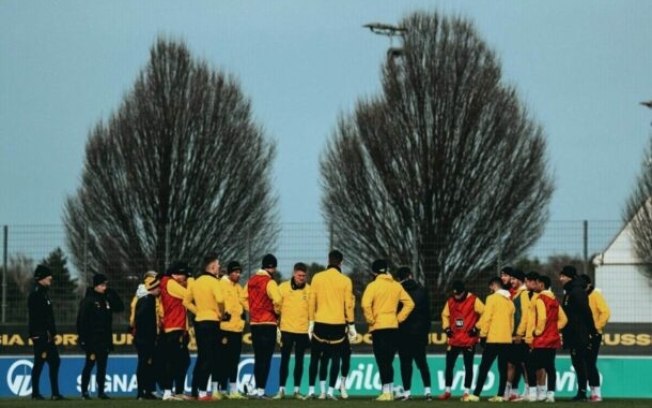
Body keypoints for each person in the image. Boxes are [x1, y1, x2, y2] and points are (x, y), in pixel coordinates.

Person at [361, 259, 415, 402]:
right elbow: (410, 303)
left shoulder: (372, 286)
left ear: (373, 272)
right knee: (388, 361)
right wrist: (399, 318)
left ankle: (386, 393)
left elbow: (365, 305)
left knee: (382, 361)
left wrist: (371, 320)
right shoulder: (396, 286)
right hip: (393, 327)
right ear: (387, 269)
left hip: (379, 328)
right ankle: (388, 392)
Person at [307, 250, 356, 400]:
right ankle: (330, 392)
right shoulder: (345, 280)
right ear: (341, 262)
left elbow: (311, 302)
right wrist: (352, 325)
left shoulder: (317, 277)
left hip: (320, 323)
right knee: (336, 358)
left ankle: (319, 391)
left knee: (318, 357)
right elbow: (348, 305)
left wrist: (311, 322)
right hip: (337, 323)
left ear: (328, 260)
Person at [462, 277, 514, 402]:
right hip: (506, 339)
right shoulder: (509, 301)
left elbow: (487, 318)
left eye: (490, 287)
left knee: (484, 367)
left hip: (493, 339)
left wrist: (483, 335)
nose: (490, 289)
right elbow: (512, 323)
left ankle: (476, 394)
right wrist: (508, 334)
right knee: (502, 368)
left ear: (493, 285)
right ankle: (500, 395)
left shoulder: (491, 299)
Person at [77, 273, 125, 400]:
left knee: (102, 366)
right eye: (103, 285)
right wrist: (83, 340)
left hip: (104, 339)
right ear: (96, 286)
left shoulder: (106, 299)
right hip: (92, 340)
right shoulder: (88, 301)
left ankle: (101, 392)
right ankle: (84, 392)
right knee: (89, 364)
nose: (105, 287)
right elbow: (81, 321)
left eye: (106, 285)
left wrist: (113, 293)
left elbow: (120, 307)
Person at [183, 254, 224, 401]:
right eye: (218, 264)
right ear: (212, 267)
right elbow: (220, 299)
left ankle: (195, 391)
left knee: (202, 357)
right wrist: (221, 313)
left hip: (199, 322)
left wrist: (198, 311)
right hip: (212, 322)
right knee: (210, 357)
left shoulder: (196, 282)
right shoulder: (214, 282)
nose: (219, 267)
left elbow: (186, 302)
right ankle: (202, 393)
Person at [524, 275, 567, 403]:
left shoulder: (540, 298)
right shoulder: (555, 300)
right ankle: (550, 395)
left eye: (536, 283)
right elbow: (564, 319)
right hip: (553, 339)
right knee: (549, 367)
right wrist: (553, 328)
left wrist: (537, 332)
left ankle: (533, 394)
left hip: (542, 339)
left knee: (530, 365)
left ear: (541, 285)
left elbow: (542, 318)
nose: (534, 286)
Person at [245, 253, 282, 398]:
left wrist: (253, 309)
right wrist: (277, 313)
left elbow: (243, 297)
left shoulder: (251, 281)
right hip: (268, 323)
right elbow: (278, 300)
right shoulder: (270, 282)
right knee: (266, 358)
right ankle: (260, 390)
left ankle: (255, 389)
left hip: (255, 324)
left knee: (258, 357)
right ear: (272, 267)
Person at [439, 280, 484, 400]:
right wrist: (446, 328)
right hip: (454, 339)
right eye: (455, 294)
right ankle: (447, 391)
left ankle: (466, 392)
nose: (456, 296)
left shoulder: (474, 300)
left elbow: (485, 313)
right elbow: (445, 315)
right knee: (449, 366)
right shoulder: (450, 301)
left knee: (468, 366)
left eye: (458, 294)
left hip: (468, 339)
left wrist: (476, 327)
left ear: (464, 292)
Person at [559, 265, 597, 401]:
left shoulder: (576, 292)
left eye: (563, 276)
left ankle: (582, 392)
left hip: (579, 333)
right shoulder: (571, 291)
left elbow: (586, 312)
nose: (560, 279)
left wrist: (592, 331)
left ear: (569, 277)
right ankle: (582, 391)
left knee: (580, 363)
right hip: (573, 332)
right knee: (577, 363)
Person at [394, 266, 432, 401]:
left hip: (403, 333)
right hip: (419, 333)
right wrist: (426, 333)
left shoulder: (397, 291)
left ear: (399, 278)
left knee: (405, 364)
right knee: (422, 363)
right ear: (410, 275)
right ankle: (427, 392)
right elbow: (428, 315)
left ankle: (407, 393)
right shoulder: (422, 290)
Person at [27, 264, 64, 400]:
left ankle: (55, 393)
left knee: (54, 361)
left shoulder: (43, 293)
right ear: (41, 278)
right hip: (41, 335)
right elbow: (37, 317)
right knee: (40, 362)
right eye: (48, 276)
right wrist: (40, 333)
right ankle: (36, 393)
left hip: (47, 335)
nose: (51, 278)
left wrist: (52, 332)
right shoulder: (36, 294)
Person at [274, 262, 311, 399]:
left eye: (304, 276)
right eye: (299, 275)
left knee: (299, 361)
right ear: (294, 274)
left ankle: (296, 391)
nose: (302, 278)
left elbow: (312, 310)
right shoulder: (283, 288)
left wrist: (310, 328)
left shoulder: (310, 290)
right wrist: (277, 327)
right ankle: (281, 390)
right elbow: (276, 308)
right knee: (285, 360)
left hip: (302, 330)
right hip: (286, 330)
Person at [160, 261, 193, 401]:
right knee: (174, 360)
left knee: (183, 360)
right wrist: (191, 281)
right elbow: (188, 295)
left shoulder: (170, 283)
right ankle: (168, 392)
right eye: (184, 275)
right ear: (176, 274)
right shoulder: (170, 283)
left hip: (178, 327)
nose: (185, 277)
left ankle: (177, 392)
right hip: (174, 327)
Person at [217, 261, 248, 400]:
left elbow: (244, 302)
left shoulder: (239, 287)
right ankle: (222, 388)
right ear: (229, 273)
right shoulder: (221, 285)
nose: (237, 274)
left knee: (234, 360)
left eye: (239, 272)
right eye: (235, 272)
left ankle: (234, 390)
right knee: (223, 360)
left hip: (237, 329)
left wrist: (244, 315)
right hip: (225, 329)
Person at [580, 273, 611, 402]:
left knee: (590, 363)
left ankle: (597, 393)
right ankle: (593, 392)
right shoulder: (583, 296)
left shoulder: (596, 295)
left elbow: (606, 312)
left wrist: (596, 328)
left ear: (588, 285)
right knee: (587, 363)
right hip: (584, 335)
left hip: (594, 335)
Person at [134, 276, 162, 400]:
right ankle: (142, 391)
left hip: (142, 338)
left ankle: (146, 391)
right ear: (153, 288)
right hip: (145, 339)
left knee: (146, 364)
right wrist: (150, 335)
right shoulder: (148, 301)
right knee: (144, 364)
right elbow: (142, 319)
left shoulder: (143, 300)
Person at [504, 268, 530, 401]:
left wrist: (520, 332)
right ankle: (508, 391)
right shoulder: (516, 294)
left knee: (524, 364)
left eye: (514, 279)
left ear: (520, 280)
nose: (511, 281)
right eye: (511, 279)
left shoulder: (524, 294)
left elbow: (526, 314)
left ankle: (527, 390)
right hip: (514, 335)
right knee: (512, 363)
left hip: (522, 336)